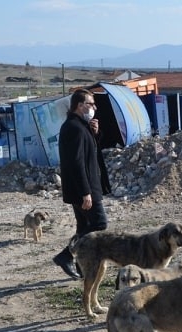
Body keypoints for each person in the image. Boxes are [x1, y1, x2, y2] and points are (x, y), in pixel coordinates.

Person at [53, 88, 111, 279]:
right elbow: (76, 162)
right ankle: (66, 255)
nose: (94, 107)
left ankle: (79, 265)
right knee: (99, 223)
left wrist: (95, 133)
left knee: (83, 226)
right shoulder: (74, 128)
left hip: (85, 187)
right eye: (90, 104)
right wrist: (85, 192)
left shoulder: (81, 126)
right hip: (84, 189)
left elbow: (89, 152)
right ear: (79, 106)